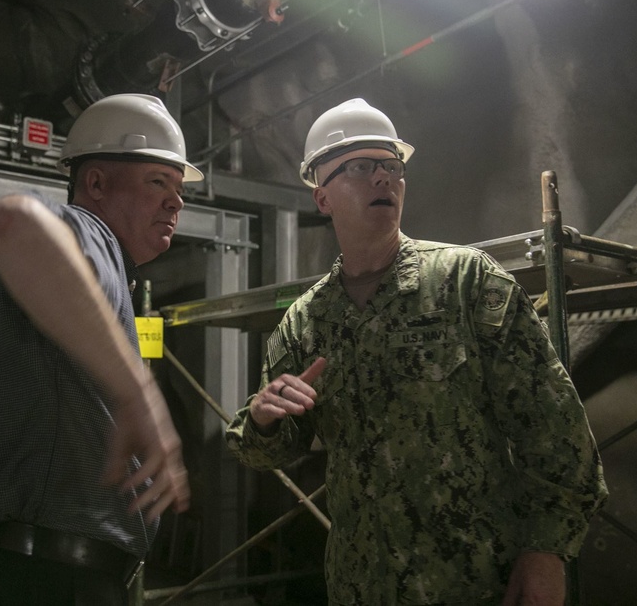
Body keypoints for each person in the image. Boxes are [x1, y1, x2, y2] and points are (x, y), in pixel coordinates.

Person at [225, 98, 608, 605]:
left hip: (476, 582)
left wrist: (547, 553)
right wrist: (265, 417)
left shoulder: (466, 281)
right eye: (360, 167)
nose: (383, 178)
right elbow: (269, 451)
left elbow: (556, 428)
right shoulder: (307, 320)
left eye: (392, 166)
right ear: (322, 198)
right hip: (362, 586)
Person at [0, 94, 199, 606]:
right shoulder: (88, 229)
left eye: (179, 189)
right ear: (95, 182)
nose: (176, 201)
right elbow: (10, 221)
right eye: (158, 181)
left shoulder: (105, 272)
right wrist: (137, 389)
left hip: (20, 567)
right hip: (33, 576)